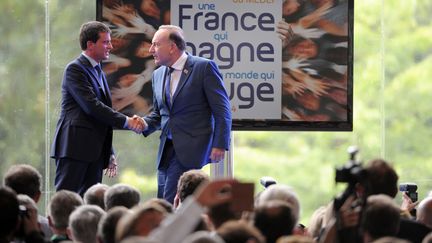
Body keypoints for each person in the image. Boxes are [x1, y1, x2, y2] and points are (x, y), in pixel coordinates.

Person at [50, 21, 146, 196]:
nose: (110, 46)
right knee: (65, 202)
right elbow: (92, 107)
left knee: (91, 206)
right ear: (90, 44)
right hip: (74, 149)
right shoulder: (75, 69)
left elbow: (101, 116)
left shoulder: (99, 71)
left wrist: (108, 152)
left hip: (94, 153)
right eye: (105, 42)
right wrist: (127, 121)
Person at [142, 25, 232, 203]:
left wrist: (219, 144)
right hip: (166, 150)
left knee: (169, 201)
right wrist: (142, 124)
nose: (151, 50)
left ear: (172, 47)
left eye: (155, 45)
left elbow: (222, 110)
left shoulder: (203, 68)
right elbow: (160, 115)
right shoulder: (158, 75)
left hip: (192, 148)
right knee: (163, 199)